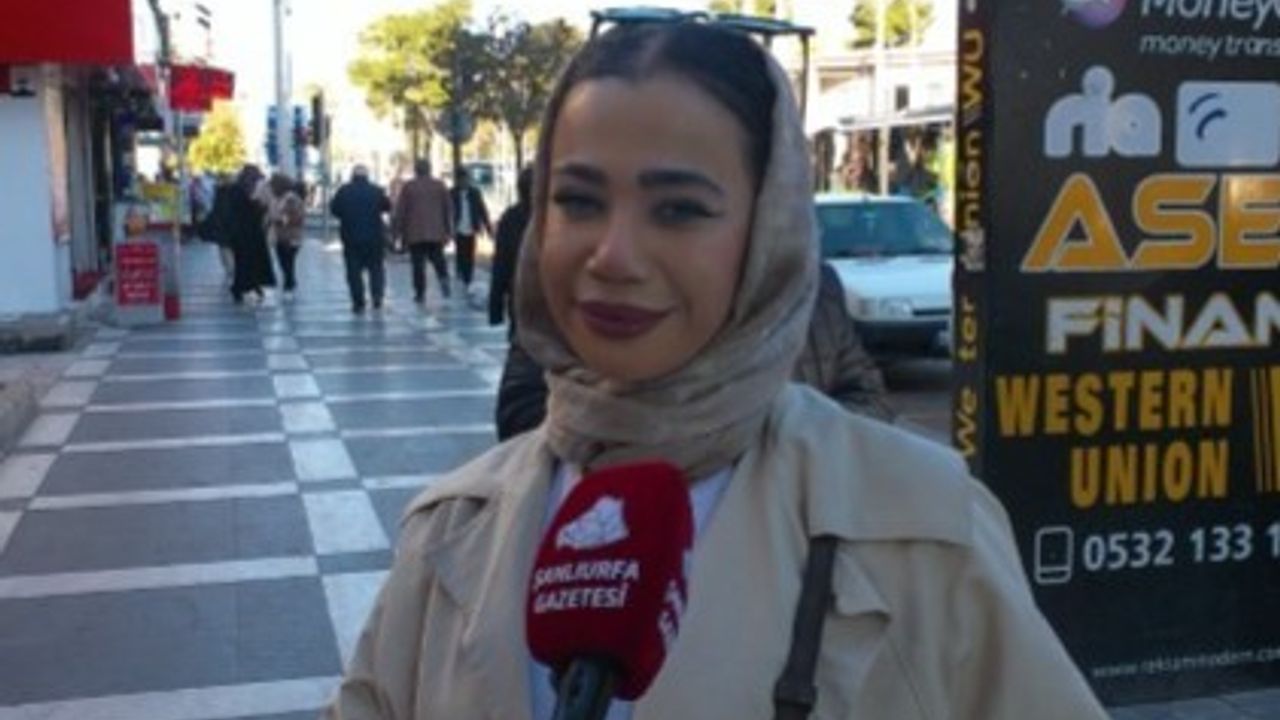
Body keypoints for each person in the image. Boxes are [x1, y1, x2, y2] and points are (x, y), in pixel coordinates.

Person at [326, 23, 1107, 720]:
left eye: (678, 209)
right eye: (579, 201)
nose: (614, 256)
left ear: (770, 229)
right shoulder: (451, 530)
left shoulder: (926, 529)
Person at [494, 260, 893, 441]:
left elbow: (868, 399)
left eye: (681, 209)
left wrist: (765, 443)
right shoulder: (569, 290)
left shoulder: (815, 288)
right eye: (580, 202)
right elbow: (520, 410)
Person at [329, 165, 391, 313]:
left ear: (352, 176)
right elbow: (387, 206)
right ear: (367, 176)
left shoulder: (344, 191)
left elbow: (334, 210)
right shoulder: (376, 191)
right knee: (376, 268)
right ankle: (377, 297)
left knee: (353, 271)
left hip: (351, 237)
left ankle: (358, 301)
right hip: (374, 237)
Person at [391, 159, 454, 303]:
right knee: (438, 259)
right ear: (429, 169)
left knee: (418, 265)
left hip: (415, 233)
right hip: (436, 232)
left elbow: (401, 211)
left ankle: (420, 293)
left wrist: (396, 233)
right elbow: (448, 209)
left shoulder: (409, 187)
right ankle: (444, 279)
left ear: (416, 170)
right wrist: (449, 230)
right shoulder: (439, 185)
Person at [489, 165, 533, 332]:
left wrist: (495, 308)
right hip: (550, 293)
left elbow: (501, 264)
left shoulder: (511, 217)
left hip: (518, 289)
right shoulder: (554, 216)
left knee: (519, 334)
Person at [227, 164, 275, 304]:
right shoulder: (241, 192)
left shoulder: (236, 190)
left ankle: (248, 287)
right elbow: (250, 212)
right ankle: (246, 287)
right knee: (248, 262)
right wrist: (260, 207)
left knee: (244, 262)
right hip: (249, 234)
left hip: (243, 234)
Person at [449, 167, 492, 294]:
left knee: (469, 252)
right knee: (461, 252)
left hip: (471, 227)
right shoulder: (452, 193)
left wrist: (488, 228)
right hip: (458, 227)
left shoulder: (475, 193)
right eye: (462, 179)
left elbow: (482, 210)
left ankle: (468, 276)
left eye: (466, 179)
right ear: (457, 180)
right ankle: (462, 273)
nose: (464, 182)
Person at [265, 173, 306, 300]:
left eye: (272, 186)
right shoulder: (278, 198)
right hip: (281, 236)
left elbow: (297, 216)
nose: (270, 188)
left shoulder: (291, 199)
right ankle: (290, 282)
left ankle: (289, 285)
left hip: (291, 235)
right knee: (284, 262)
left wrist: (280, 220)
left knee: (288, 261)